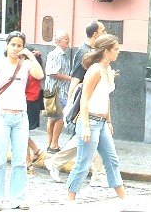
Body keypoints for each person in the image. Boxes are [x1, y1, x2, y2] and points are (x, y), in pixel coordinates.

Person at [0, 31, 44, 211]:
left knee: (19, 160)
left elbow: (39, 75)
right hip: (1, 115)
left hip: (20, 117)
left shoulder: (25, 65)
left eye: (19, 45)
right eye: (13, 45)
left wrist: (30, 55)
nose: (15, 48)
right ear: (7, 45)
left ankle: (18, 198)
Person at [66, 34, 129, 207]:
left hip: (101, 123)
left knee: (112, 159)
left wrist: (108, 121)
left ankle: (123, 198)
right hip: (90, 122)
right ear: (106, 51)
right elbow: (84, 99)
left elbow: (106, 98)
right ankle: (70, 199)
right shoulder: (95, 70)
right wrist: (85, 125)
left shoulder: (108, 70)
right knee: (83, 163)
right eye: (115, 49)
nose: (118, 52)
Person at [44, 21, 107, 186]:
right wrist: (70, 103)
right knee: (89, 138)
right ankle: (98, 175)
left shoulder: (92, 51)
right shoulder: (84, 52)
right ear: (95, 34)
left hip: (93, 101)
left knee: (86, 139)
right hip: (84, 103)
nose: (104, 32)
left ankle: (56, 163)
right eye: (102, 30)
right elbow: (75, 78)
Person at [44, 30, 71, 153]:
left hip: (56, 91)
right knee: (59, 118)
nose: (68, 41)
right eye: (66, 39)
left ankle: (51, 144)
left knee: (53, 118)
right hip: (56, 91)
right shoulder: (55, 54)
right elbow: (52, 73)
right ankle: (53, 144)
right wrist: (69, 78)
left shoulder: (63, 55)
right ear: (59, 41)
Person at [25, 50, 44, 173]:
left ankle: (28, 162)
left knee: (21, 133)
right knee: (22, 132)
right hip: (33, 101)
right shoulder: (38, 67)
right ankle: (36, 151)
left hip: (27, 101)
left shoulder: (29, 68)